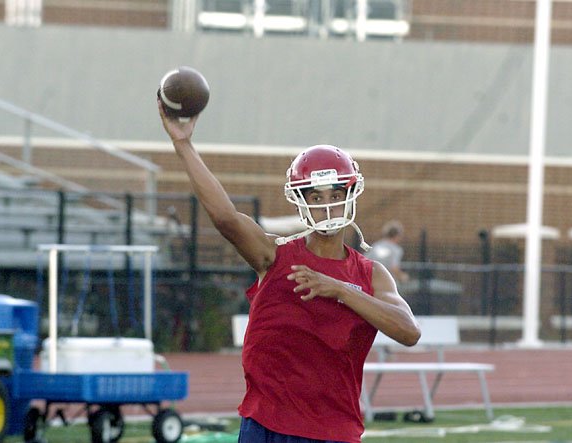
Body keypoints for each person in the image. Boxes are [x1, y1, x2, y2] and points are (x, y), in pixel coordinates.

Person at [158, 101, 421, 443]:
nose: (326, 205)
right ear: (300, 200)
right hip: (267, 424)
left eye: (335, 194)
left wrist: (341, 290)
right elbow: (225, 218)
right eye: (315, 196)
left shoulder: (371, 274)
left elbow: (409, 331)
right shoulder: (274, 254)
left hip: (333, 430)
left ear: (351, 194)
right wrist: (183, 144)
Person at [365, 220, 410, 285]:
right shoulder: (396, 250)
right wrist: (402, 276)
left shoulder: (376, 246)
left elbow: (365, 260)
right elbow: (394, 267)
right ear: (397, 236)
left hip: (372, 280)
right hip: (387, 283)